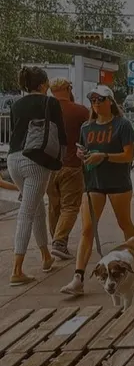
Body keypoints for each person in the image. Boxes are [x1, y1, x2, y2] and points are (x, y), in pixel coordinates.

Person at [60, 85, 134, 296]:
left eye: (100, 99)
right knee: (87, 228)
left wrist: (103, 156)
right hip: (93, 182)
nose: (95, 103)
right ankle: (78, 278)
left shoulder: (122, 125)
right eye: (93, 100)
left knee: (125, 223)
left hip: (118, 182)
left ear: (110, 102)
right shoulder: (87, 127)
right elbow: (84, 150)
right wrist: (82, 154)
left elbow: (128, 156)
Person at [7, 66, 67, 286]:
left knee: (37, 206)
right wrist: (60, 159)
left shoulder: (16, 104)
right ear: (42, 85)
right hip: (36, 160)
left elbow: (14, 132)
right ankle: (17, 269)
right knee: (27, 212)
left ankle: (46, 256)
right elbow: (61, 134)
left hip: (14, 160)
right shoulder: (50, 103)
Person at [46, 78, 90, 260]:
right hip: (71, 164)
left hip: (48, 166)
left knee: (54, 206)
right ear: (67, 88)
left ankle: (56, 240)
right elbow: (90, 135)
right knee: (70, 207)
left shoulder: (44, 109)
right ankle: (59, 242)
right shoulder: (80, 111)